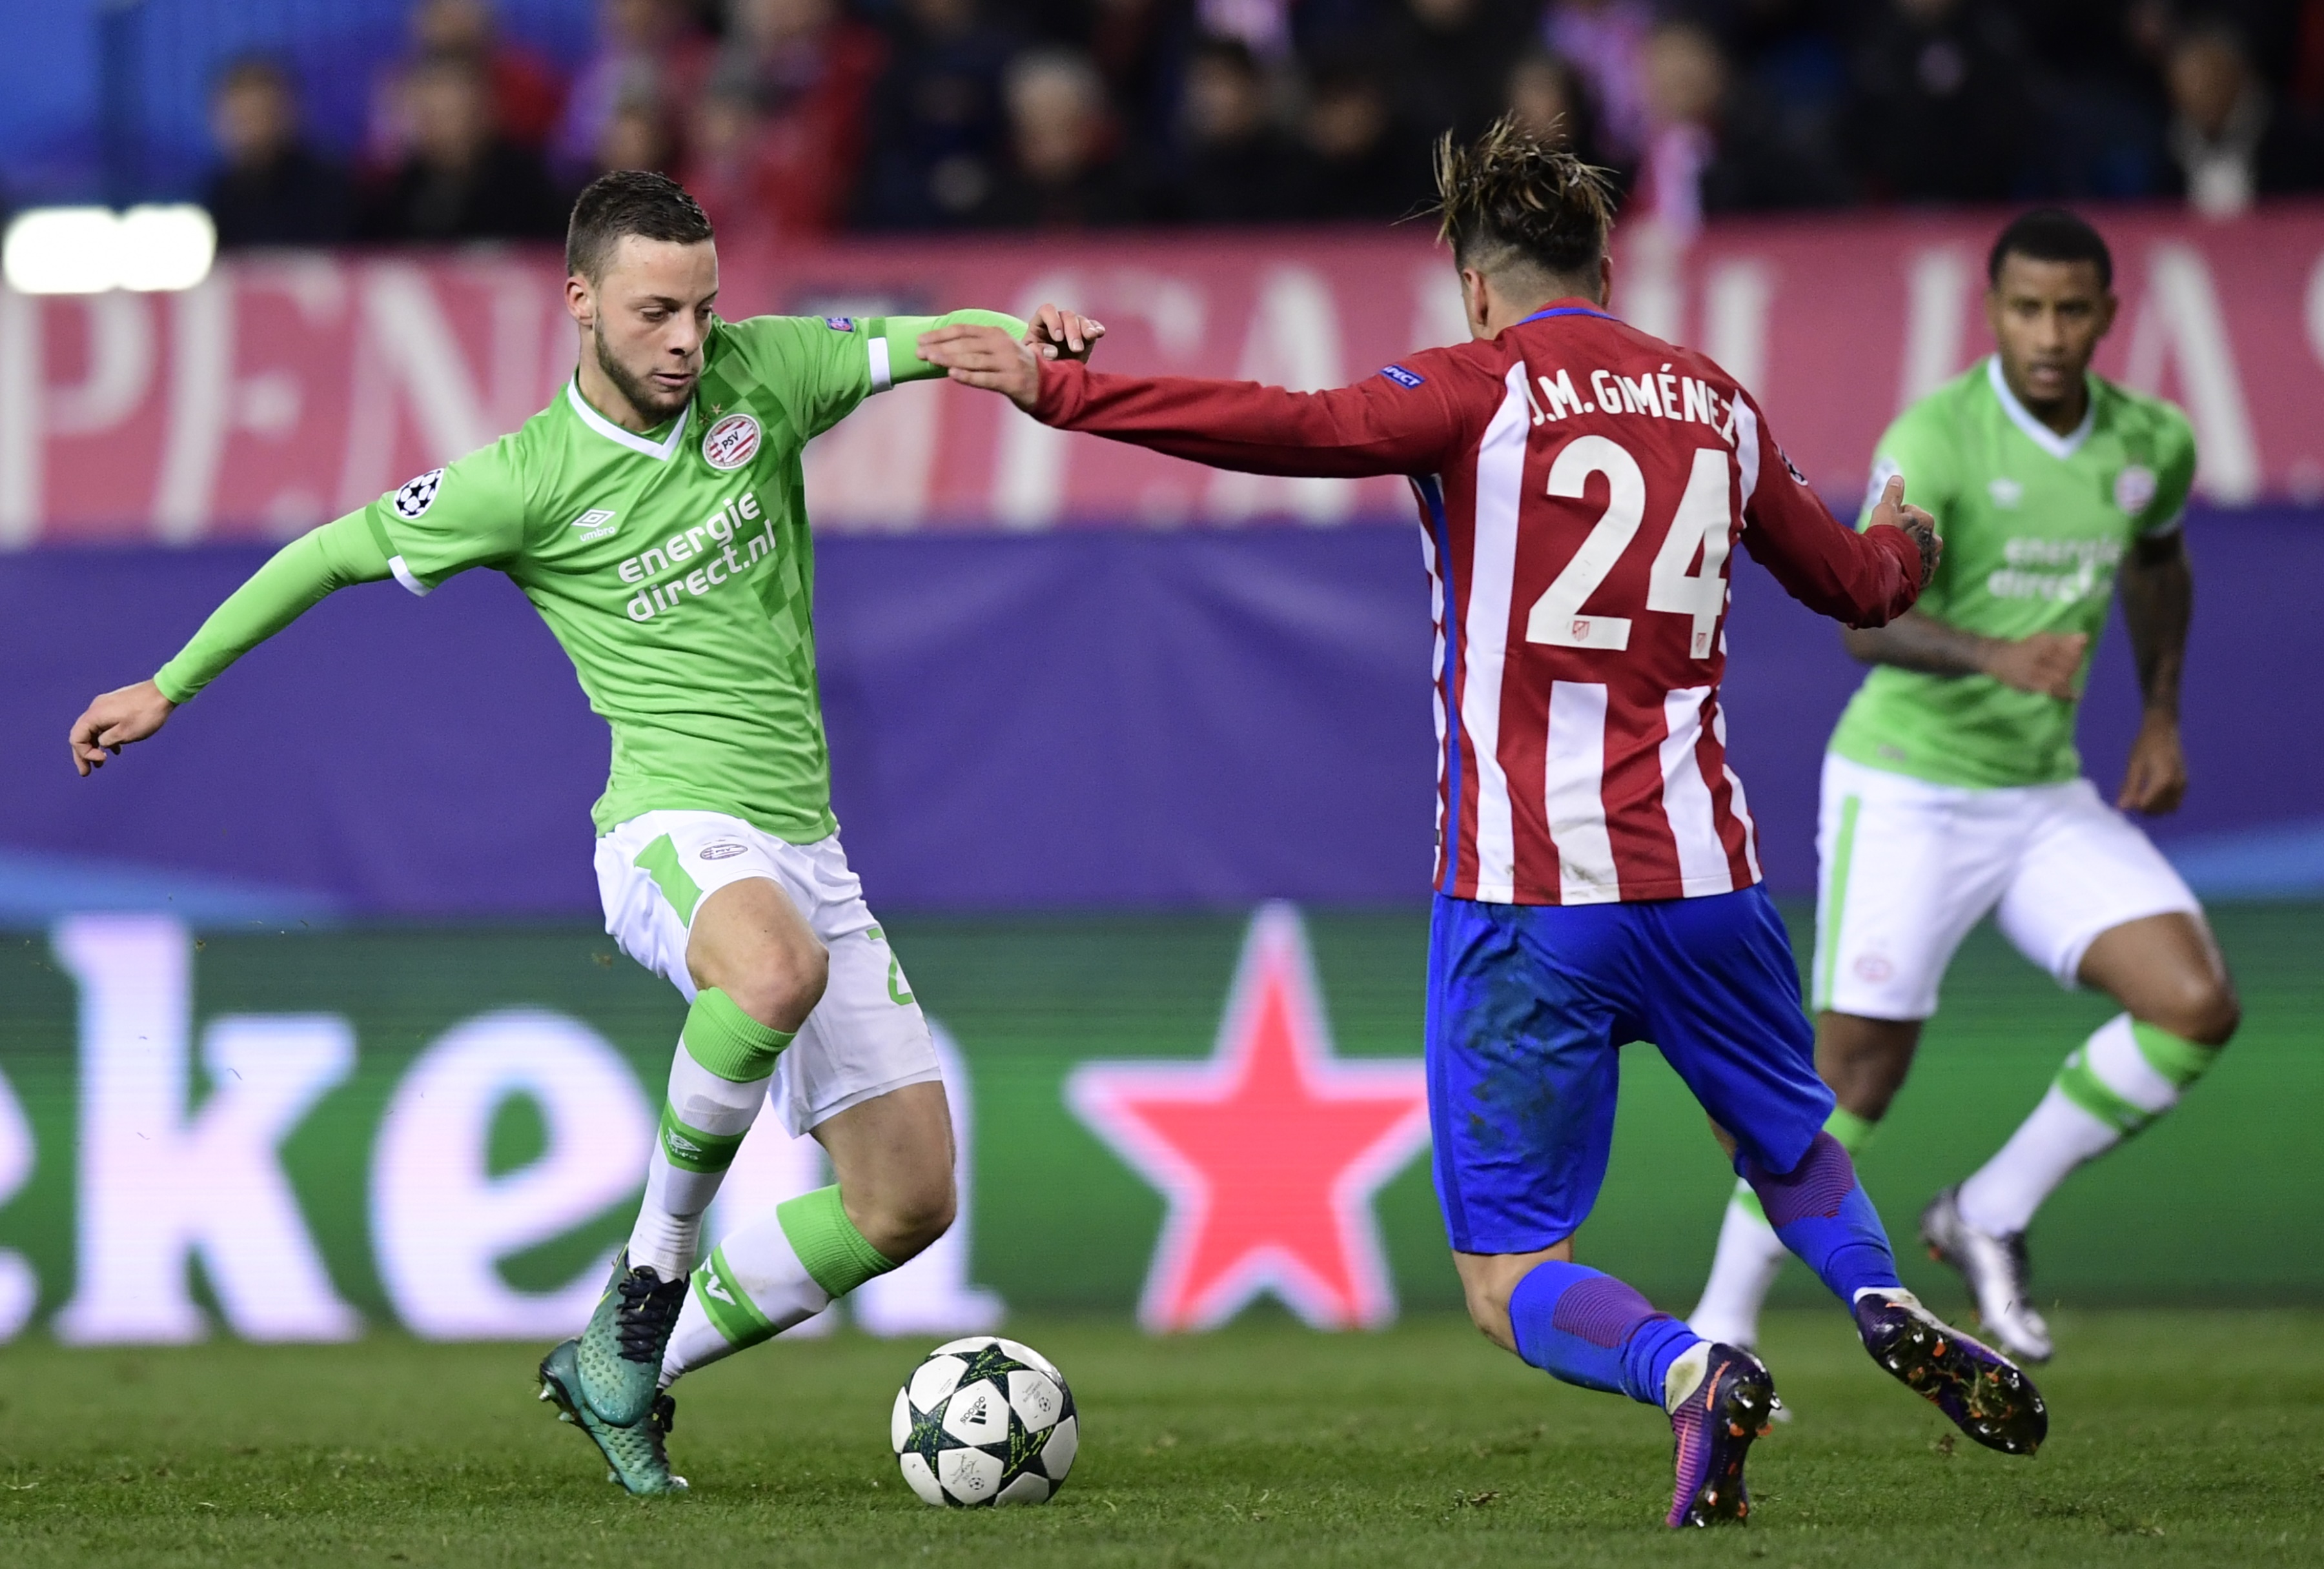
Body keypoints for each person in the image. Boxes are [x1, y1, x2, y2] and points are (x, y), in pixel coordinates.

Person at [919, 118, 2044, 1528]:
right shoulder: (1716, 401)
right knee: (1784, 1144)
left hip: (1530, 896)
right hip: (1712, 882)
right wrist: (1914, 535)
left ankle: (1687, 1367)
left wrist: (1068, 393)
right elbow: (1863, 587)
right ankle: (1878, 1296)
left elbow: (1289, 425)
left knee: (1509, 1282)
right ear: (1608, 269)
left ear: (1473, 285)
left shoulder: (1473, 385)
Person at [67, 170, 1101, 1497]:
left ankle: (622, 1365)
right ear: (582, 303)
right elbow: (326, 554)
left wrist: (1027, 336)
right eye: (656, 311)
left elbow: (935, 342)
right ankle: (651, 1276)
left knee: (905, 1202)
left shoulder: (769, 374)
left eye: (704, 307)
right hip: (667, 825)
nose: (688, 339)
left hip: (805, 841)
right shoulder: (523, 481)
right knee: (773, 971)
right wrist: (170, 684)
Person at [1686, 208, 2240, 1367]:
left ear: (2107, 315)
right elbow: (1863, 623)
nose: (2050, 333)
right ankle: (1721, 1327)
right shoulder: (1935, 439)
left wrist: (2160, 713)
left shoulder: (2152, 441)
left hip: (2040, 797)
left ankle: (1987, 1211)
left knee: (2194, 1005)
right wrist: (1996, 655)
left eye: (2072, 310)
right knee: (1854, 1076)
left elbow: (2158, 562)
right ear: (1993, 313)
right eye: (2027, 309)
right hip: (1908, 788)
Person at [357, 51, 566, 242]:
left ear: (484, 114)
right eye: (432, 117)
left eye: (454, 115)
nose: (445, 131)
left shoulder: (526, 185)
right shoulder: (402, 189)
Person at [203, 57, 352, 249]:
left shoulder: (328, 187)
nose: (252, 131)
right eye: (241, 119)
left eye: (260, 115)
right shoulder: (218, 194)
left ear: (286, 112)